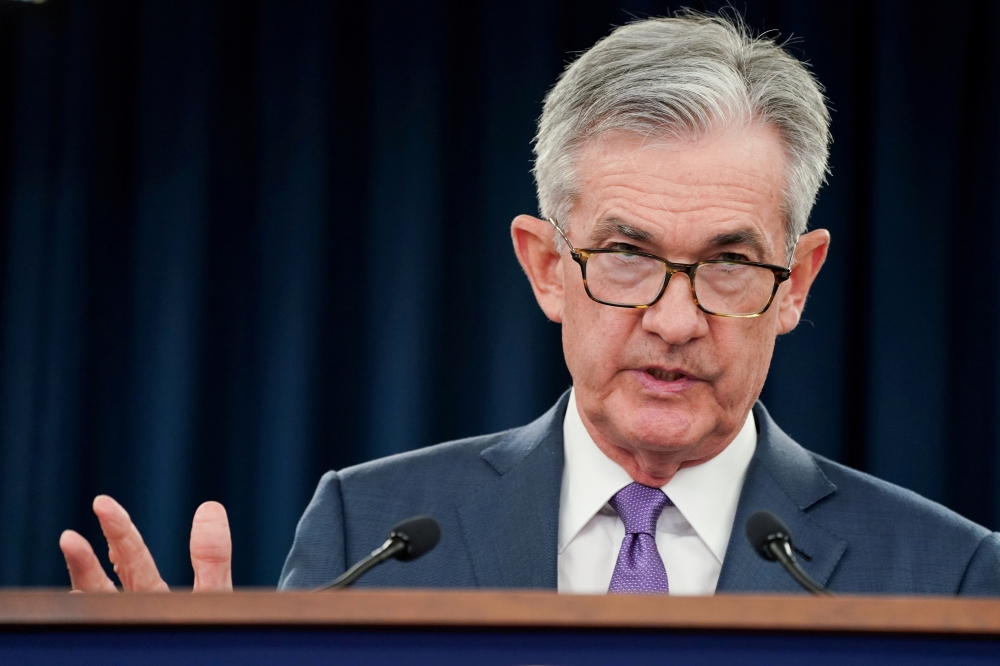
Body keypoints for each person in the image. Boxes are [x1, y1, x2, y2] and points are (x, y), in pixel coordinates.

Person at [59, 13, 1000, 596]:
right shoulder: (372, 531)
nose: (675, 322)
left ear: (796, 284)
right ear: (546, 266)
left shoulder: (949, 575)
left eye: (728, 264)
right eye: (627, 256)